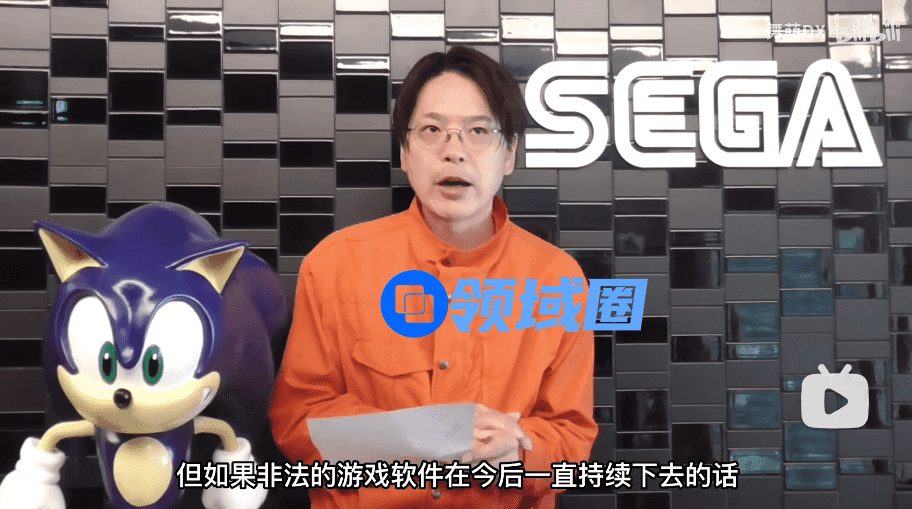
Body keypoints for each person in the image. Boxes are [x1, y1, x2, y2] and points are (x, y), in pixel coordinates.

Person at [269, 46, 598, 509]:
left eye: (478, 131)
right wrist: (423, 436)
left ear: (509, 154)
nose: (453, 151)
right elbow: (298, 419)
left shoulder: (558, 279)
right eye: (431, 130)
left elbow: (572, 434)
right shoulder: (334, 265)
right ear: (405, 152)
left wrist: (522, 451)